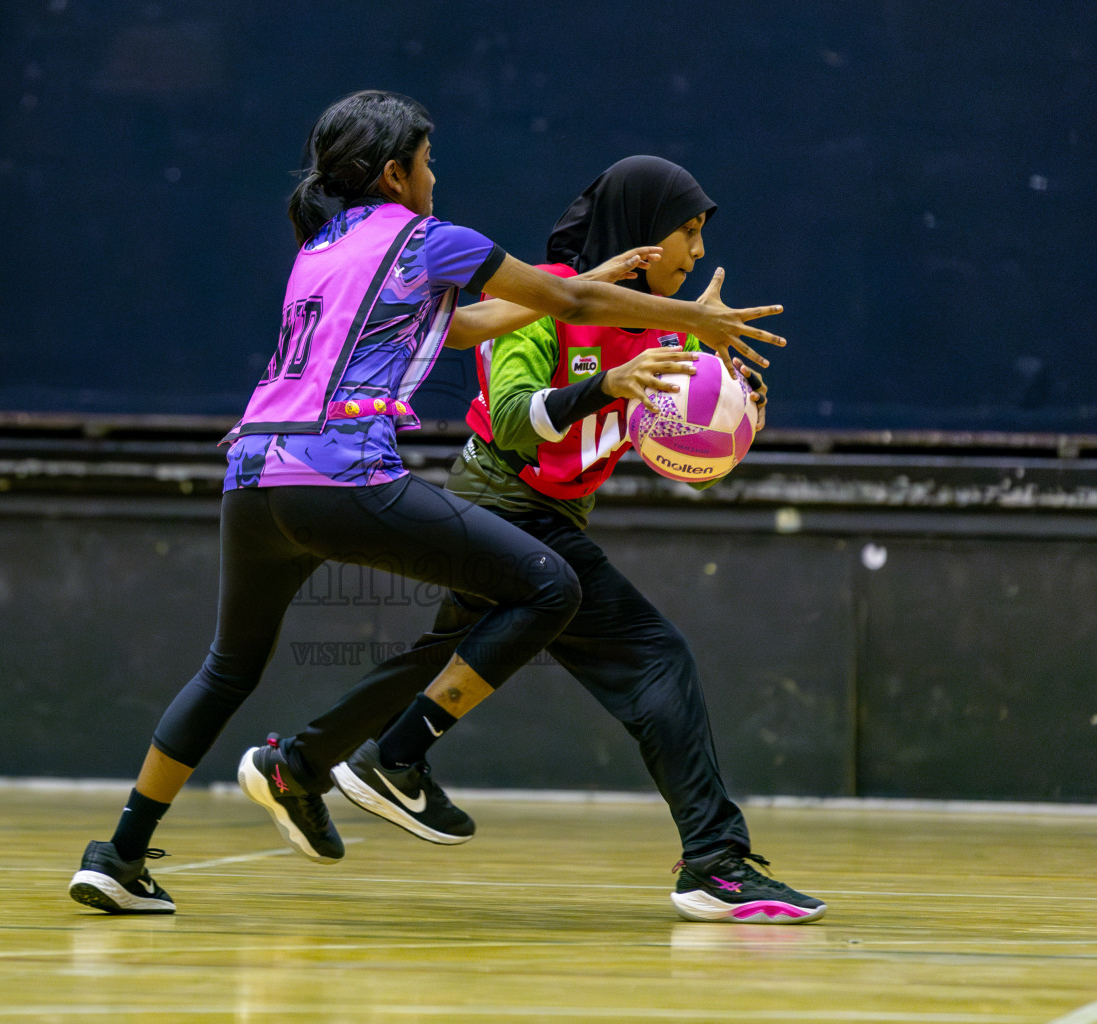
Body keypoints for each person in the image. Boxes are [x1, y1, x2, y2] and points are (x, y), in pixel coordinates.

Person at [67, 95, 786, 914]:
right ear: (395, 174)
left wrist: (584, 286)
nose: (436, 175)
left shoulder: (322, 247)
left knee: (228, 669)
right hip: (341, 475)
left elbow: (458, 329)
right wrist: (687, 318)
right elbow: (571, 314)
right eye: (428, 160)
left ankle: (119, 853)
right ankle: (396, 758)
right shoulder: (430, 239)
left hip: (252, 477)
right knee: (549, 586)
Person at [239, 155, 825, 924]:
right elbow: (515, 417)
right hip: (504, 502)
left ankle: (298, 765)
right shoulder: (543, 296)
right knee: (653, 656)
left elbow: (665, 443)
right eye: (686, 232)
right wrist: (605, 387)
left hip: (546, 515)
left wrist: (724, 417)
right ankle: (714, 862)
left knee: (439, 658)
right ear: (643, 234)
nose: (699, 252)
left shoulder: (653, 327)